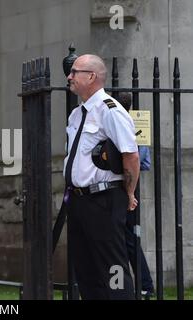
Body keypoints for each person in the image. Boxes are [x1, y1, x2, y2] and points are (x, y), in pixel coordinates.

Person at [64, 54, 140, 299]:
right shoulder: (77, 114)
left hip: (104, 198)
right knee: (86, 271)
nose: (69, 76)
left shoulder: (110, 110)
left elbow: (131, 155)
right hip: (78, 200)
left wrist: (129, 193)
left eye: (74, 72)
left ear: (91, 76)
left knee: (112, 269)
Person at [116, 92, 154, 297]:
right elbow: (145, 163)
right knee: (130, 237)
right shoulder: (137, 126)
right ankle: (144, 284)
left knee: (123, 238)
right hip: (134, 184)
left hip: (121, 186)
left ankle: (136, 284)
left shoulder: (118, 124)